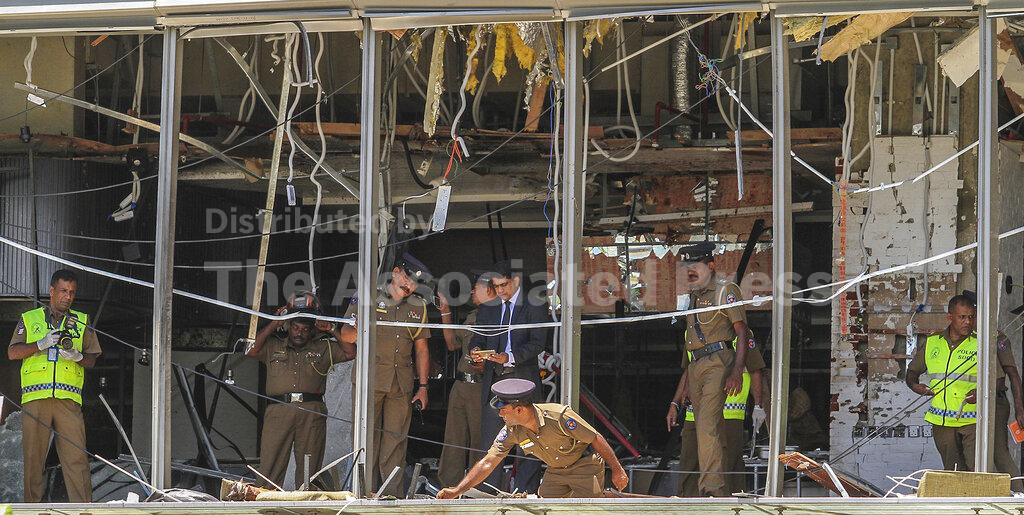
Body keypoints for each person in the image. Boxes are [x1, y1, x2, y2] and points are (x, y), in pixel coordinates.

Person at [437, 378, 629, 499]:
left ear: (519, 410)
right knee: (544, 507)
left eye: (503, 410)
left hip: (584, 466)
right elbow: (488, 462)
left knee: (590, 509)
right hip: (556, 471)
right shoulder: (511, 430)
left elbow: (595, 438)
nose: (500, 414)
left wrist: (617, 470)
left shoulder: (559, 416)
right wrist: (457, 490)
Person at [340, 254, 432, 496]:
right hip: (369, 382)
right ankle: (364, 493)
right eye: (407, 278)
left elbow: (422, 349)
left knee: (396, 441)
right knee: (366, 438)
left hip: (401, 384)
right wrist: (362, 323)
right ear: (395, 272)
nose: (409, 285)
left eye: (415, 283)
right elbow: (346, 335)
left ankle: (391, 495)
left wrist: (423, 387)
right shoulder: (367, 297)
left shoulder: (418, 306)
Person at [8, 269, 101, 502]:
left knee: (76, 457)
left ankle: (83, 510)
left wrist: (78, 356)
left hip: (68, 400)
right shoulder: (30, 318)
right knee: (33, 459)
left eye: (72, 292)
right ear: (51, 291)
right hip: (36, 399)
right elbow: (13, 352)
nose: (68, 297)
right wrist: (40, 344)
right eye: (63, 291)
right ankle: (33, 510)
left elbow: (92, 359)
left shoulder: (81, 320)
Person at [245, 292, 349, 488]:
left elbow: (350, 352)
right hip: (278, 411)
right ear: (288, 326)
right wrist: (274, 323)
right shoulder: (273, 345)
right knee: (270, 465)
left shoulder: (323, 347)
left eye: (304, 329)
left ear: (312, 330)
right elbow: (250, 350)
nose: (299, 333)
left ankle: (306, 501)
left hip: (312, 411)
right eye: (295, 327)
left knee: (310, 468)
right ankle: (267, 501)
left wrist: (332, 329)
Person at [671, 241, 749, 497]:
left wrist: (736, 371)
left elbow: (741, 332)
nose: (690, 271)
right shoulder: (694, 297)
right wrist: (682, 389)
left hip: (718, 361)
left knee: (707, 425)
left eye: (695, 265)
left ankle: (712, 489)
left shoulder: (726, 291)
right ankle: (714, 486)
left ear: (711, 265)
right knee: (706, 428)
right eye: (687, 267)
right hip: (696, 365)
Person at [470, 260, 548, 492]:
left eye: (503, 285)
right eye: (496, 286)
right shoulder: (489, 307)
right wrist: (475, 351)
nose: (500, 290)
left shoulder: (534, 304)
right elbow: (478, 337)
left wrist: (510, 356)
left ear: (515, 280)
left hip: (523, 380)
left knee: (529, 441)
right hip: (495, 382)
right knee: (491, 443)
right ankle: (488, 494)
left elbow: (538, 343)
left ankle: (525, 493)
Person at [906, 294, 1002, 471]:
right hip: (942, 423)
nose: (968, 322)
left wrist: (980, 393)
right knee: (953, 471)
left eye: (971, 317)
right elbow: (911, 372)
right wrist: (915, 386)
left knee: (977, 471)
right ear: (950, 317)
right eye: (962, 317)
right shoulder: (933, 343)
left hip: (973, 422)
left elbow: (999, 381)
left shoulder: (981, 344)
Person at [668, 334, 765, 496]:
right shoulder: (690, 331)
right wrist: (675, 403)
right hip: (694, 415)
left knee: (724, 471)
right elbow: (689, 369)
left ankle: (725, 506)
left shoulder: (738, 333)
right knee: (689, 470)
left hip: (729, 415)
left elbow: (755, 369)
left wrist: (758, 405)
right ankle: (689, 506)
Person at [437, 272, 498, 487]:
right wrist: (445, 311)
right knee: (453, 438)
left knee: (478, 440)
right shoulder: (473, 316)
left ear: (489, 290)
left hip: (480, 386)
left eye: (476, 288)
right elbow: (452, 344)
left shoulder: (499, 316)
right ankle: (448, 486)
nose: (472, 291)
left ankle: (476, 487)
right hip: (461, 384)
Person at [994, 331, 1024, 490]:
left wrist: (1019, 409)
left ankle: (1019, 493)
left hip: (994, 401)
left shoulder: (997, 338)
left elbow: (1013, 374)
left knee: (1000, 454)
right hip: (962, 405)